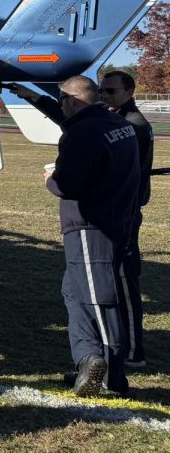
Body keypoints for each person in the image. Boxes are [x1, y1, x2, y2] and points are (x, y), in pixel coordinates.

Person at [46, 75, 140, 397]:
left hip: (90, 226)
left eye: (61, 101)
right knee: (74, 294)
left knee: (99, 300)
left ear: (72, 100)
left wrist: (50, 178)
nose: (61, 107)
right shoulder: (117, 124)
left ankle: (112, 377)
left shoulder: (83, 132)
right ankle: (88, 361)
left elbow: (66, 184)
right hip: (114, 218)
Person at [99, 70, 154, 368]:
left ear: (129, 92)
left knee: (124, 280)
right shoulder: (121, 121)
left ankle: (134, 352)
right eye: (101, 91)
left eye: (111, 92)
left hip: (126, 214)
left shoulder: (134, 126)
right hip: (116, 211)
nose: (104, 97)